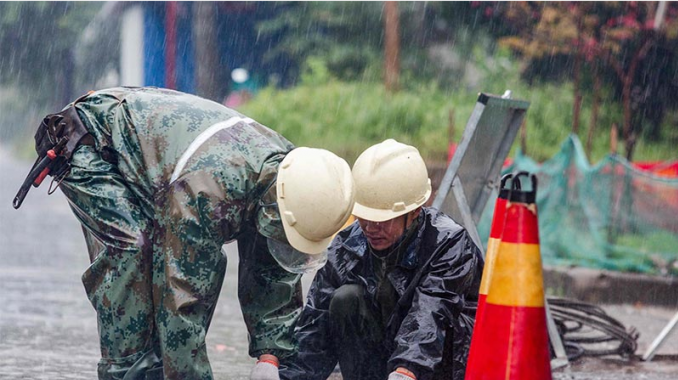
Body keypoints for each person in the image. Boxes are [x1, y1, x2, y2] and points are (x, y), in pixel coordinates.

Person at [14, 87, 355, 380]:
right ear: (278, 206)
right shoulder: (207, 192)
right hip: (86, 141)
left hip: (160, 166)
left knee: (173, 275)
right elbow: (182, 300)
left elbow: (270, 270)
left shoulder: (296, 177)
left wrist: (271, 357)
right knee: (134, 251)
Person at [280, 139, 485, 380]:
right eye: (363, 216)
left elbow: (430, 313)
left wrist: (406, 371)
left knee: (445, 324)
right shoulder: (348, 244)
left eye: (381, 220)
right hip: (388, 353)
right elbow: (315, 326)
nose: (369, 228)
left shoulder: (448, 243)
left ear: (414, 212)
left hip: (445, 360)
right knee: (346, 299)